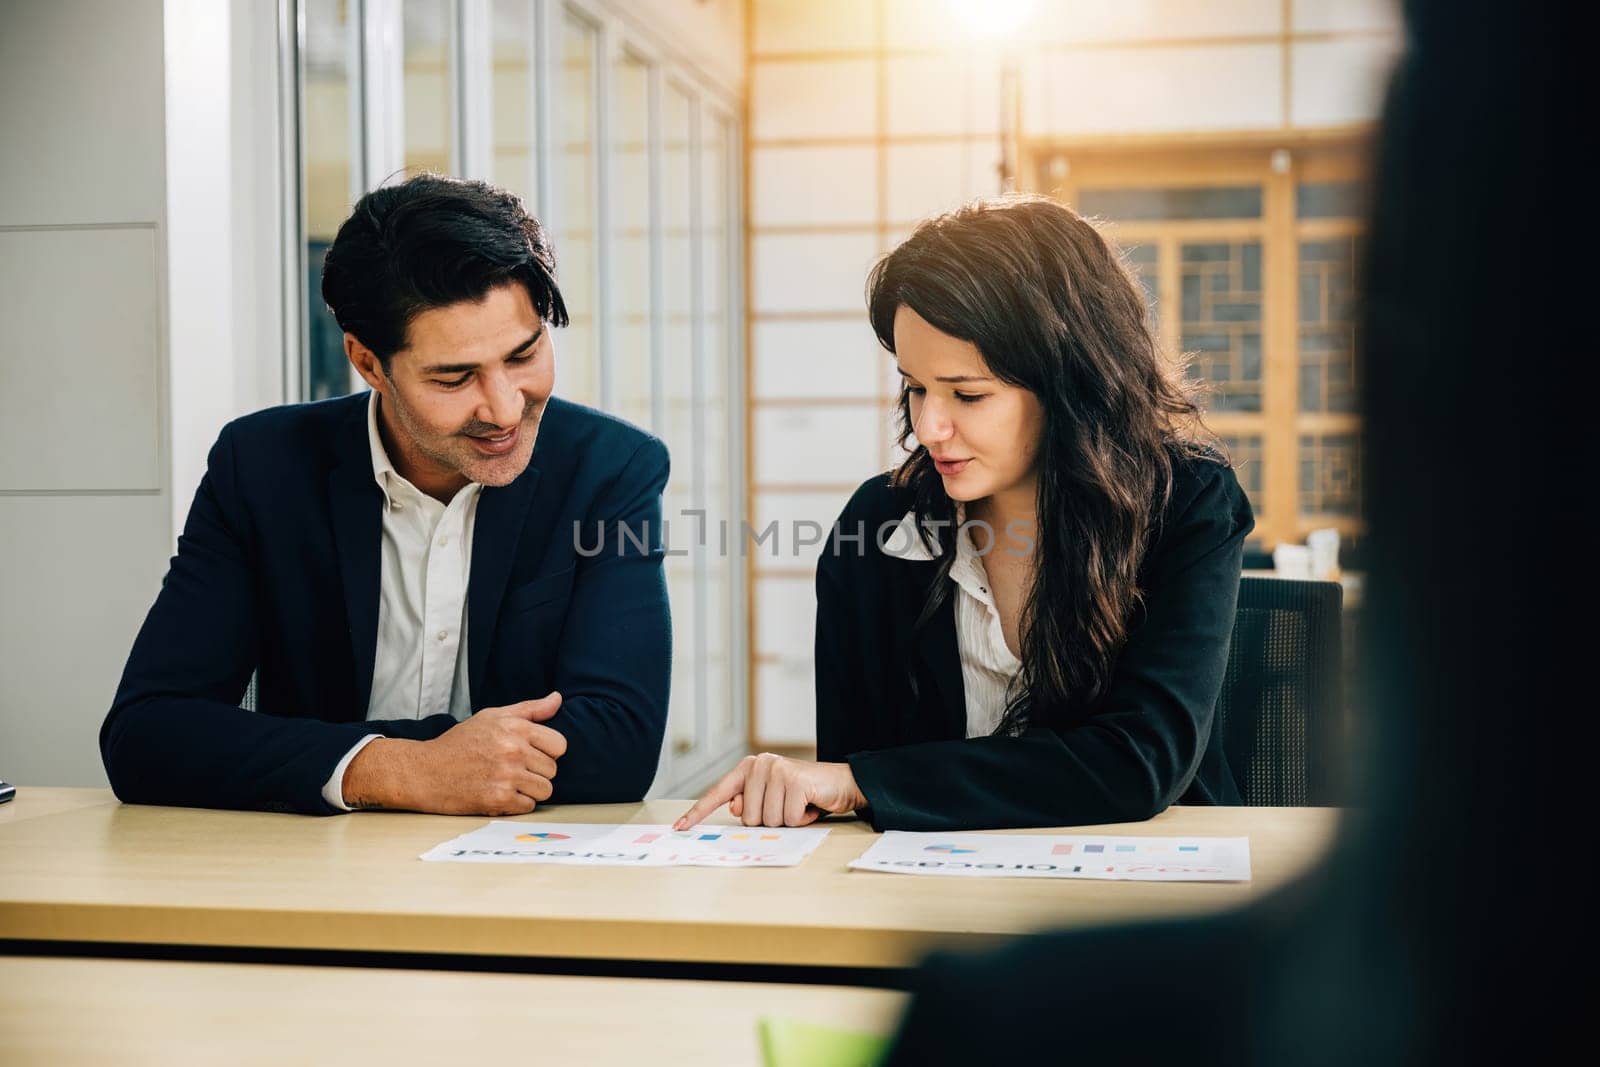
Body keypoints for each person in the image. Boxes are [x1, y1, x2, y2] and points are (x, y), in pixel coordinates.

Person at [101, 175, 672, 816]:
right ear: (369, 363)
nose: (505, 407)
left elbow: (620, 749)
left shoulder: (611, 470)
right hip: (309, 870)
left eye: (524, 353)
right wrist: (400, 770)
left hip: (521, 874)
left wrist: (310, 752)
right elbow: (147, 734)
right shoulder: (262, 468)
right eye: (454, 378)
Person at [679, 196, 1253, 832]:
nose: (929, 427)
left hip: (1153, 879)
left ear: (1071, 383)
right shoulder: (877, 524)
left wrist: (865, 782)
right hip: (935, 887)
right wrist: (840, 784)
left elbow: (1138, 761)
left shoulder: (1186, 501)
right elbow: (854, 773)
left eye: (968, 394)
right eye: (916, 388)